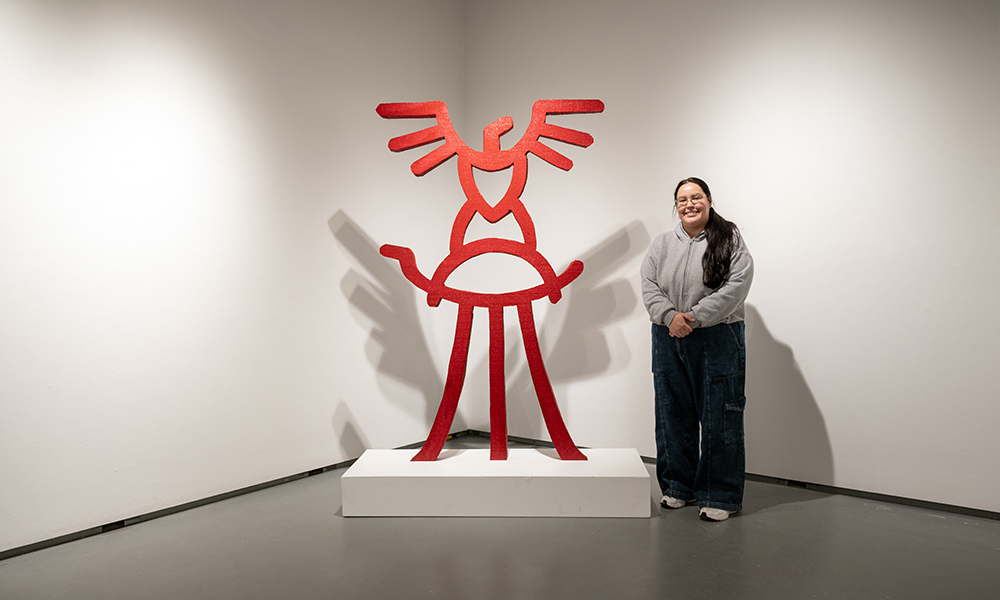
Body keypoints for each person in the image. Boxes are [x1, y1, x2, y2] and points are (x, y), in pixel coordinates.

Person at [640, 177, 754, 522]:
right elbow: (648, 284)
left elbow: (738, 283)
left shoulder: (729, 238)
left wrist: (695, 317)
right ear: (675, 206)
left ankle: (719, 494)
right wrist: (671, 317)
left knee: (720, 416)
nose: (689, 204)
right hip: (667, 335)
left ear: (708, 200)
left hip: (718, 336)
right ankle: (678, 487)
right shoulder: (661, 244)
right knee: (673, 414)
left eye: (696, 197)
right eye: (682, 199)